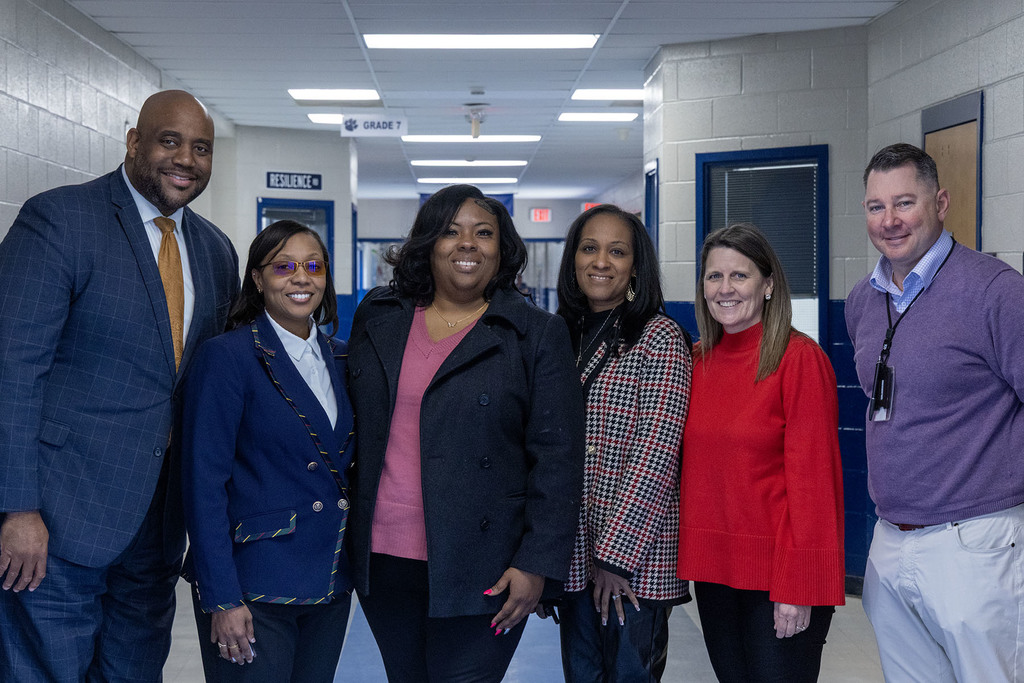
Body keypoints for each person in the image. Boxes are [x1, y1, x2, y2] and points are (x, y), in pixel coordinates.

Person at [0, 90, 239, 681]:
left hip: (157, 530)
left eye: (201, 148)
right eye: (169, 141)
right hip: (57, 521)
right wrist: (17, 507)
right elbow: (13, 370)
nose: (186, 158)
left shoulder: (215, 251)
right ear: (134, 142)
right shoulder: (59, 219)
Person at [346, 183, 585, 682]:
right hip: (384, 557)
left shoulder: (535, 334)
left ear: (502, 249)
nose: (467, 244)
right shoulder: (379, 316)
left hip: (486, 565)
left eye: (483, 233)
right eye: (450, 232)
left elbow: (558, 461)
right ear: (428, 244)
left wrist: (536, 564)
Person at [846, 143, 1024, 682]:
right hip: (890, 540)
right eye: (876, 207)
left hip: (976, 542)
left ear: (941, 202)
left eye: (905, 202)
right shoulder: (862, 300)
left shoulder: (997, 292)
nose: (890, 220)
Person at [181, 220, 354, 682]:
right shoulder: (228, 357)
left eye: (313, 266)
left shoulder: (344, 358)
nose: (301, 277)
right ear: (258, 279)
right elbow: (203, 484)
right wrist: (221, 598)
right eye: (284, 267)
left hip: (330, 580)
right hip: (253, 585)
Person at [678, 223, 845, 682]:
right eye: (714, 277)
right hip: (715, 576)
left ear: (768, 284)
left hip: (778, 581)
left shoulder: (798, 360)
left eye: (740, 276)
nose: (725, 289)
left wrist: (799, 586)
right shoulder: (695, 362)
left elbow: (815, 484)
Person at [551, 204, 692, 681]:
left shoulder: (660, 337)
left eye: (617, 251)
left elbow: (658, 450)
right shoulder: (561, 335)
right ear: (573, 259)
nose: (601, 262)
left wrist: (616, 557)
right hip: (574, 555)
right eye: (589, 248)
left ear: (636, 265)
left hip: (635, 562)